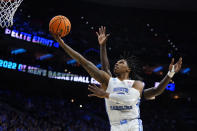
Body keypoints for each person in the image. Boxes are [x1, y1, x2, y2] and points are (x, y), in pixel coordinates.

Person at [51, 27, 182, 131]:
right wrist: (63, 44)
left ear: (128, 69)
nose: (117, 63)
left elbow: (157, 90)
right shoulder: (109, 81)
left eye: (121, 62)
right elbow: (84, 61)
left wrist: (170, 74)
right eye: (117, 62)